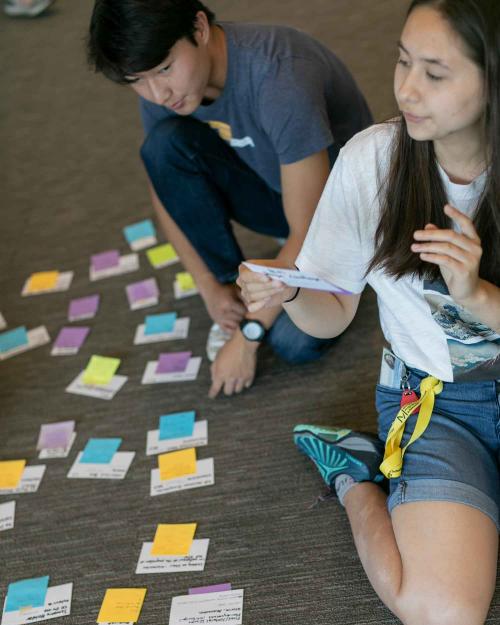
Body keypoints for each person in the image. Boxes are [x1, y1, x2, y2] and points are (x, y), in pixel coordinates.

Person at [239, 0, 499, 622]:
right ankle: (355, 476)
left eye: (435, 73)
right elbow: (332, 316)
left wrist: (478, 295)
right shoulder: (375, 160)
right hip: (437, 401)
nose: (407, 89)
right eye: (403, 62)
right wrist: (292, 292)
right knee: (444, 614)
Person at [87, 0, 372, 398]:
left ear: (199, 27)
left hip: (342, 214)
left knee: (293, 343)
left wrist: (248, 335)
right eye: (138, 79)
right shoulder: (164, 88)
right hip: (275, 191)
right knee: (162, 147)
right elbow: (164, 184)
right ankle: (239, 288)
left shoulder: (278, 76)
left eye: (165, 69)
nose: (156, 92)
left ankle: (316, 284)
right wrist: (210, 287)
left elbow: (310, 228)